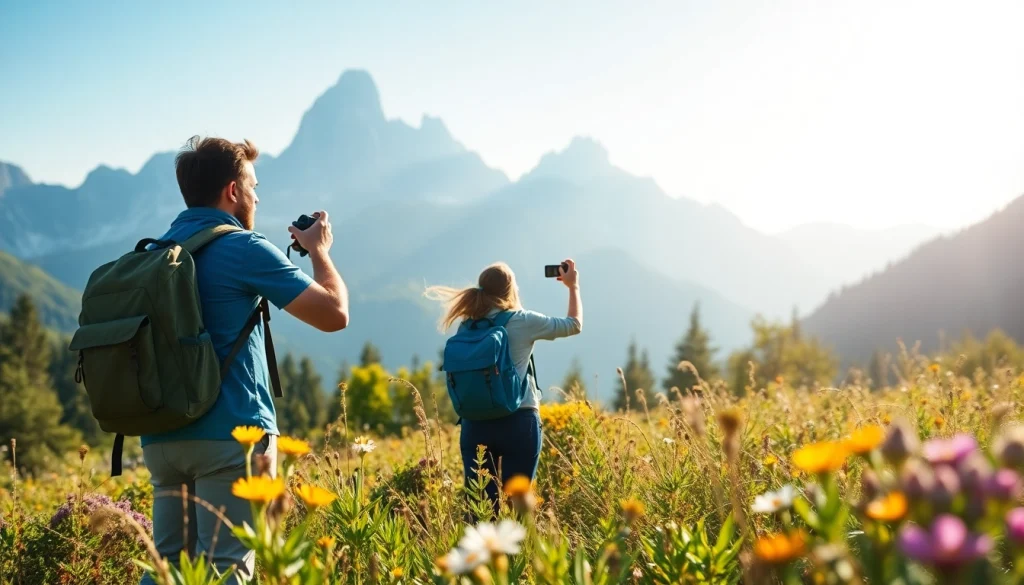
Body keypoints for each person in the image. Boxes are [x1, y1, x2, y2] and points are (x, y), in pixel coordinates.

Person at [139, 135, 350, 584]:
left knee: (168, 568)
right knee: (227, 568)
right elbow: (334, 315)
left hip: (161, 438)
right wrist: (319, 251)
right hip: (231, 436)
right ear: (232, 191)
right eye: (253, 185)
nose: (257, 195)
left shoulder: (156, 251)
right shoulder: (242, 248)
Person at [425, 260, 582, 507]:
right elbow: (573, 325)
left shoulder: (467, 326)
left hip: (475, 425)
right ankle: (518, 545)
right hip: (519, 422)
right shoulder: (523, 321)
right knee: (519, 507)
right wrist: (573, 286)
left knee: (482, 510)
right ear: (512, 290)